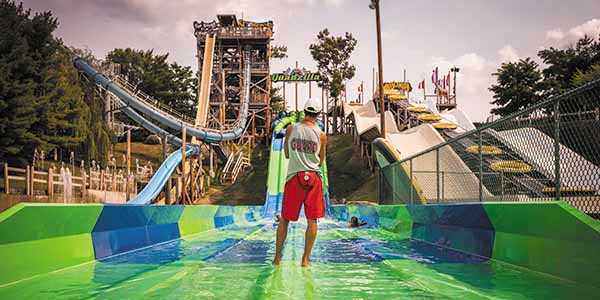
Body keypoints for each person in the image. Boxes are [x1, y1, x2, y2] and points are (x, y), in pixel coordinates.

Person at [273, 98, 327, 267]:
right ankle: (305, 259)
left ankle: (277, 258)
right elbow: (321, 159)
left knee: (285, 219)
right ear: (318, 115)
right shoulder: (321, 134)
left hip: (294, 177)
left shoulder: (290, 128)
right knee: (313, 220)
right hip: (314, 178)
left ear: (304, 111)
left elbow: (287, 154)